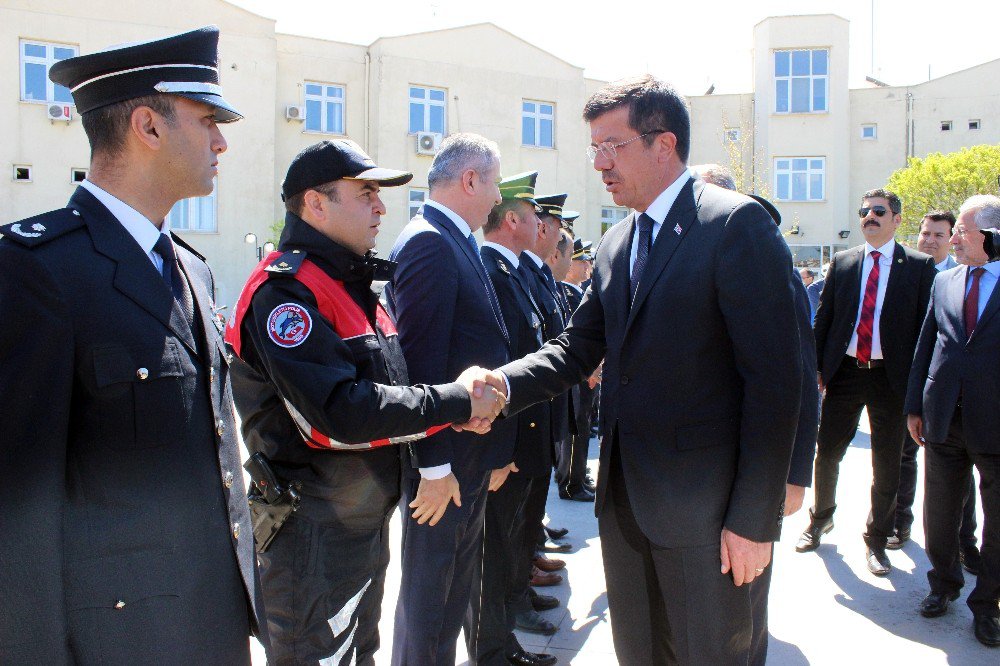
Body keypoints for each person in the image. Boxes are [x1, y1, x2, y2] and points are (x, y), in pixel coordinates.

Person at [475, 74, 802, 664]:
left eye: (611, 145)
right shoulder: (617, 242)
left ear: (664, 143)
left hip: (709, 517)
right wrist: (501, 384)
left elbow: (776, 383)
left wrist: (756, 520)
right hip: (627, 508)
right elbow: (577, 350)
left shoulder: (734, 227)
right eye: (593, 147)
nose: (599, 162)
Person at [0, 27, 268, 663]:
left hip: (209, 623)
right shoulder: (35, 270)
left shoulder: (192, 270)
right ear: (148, 126)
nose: (222, 141)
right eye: (207, 121)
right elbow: (17, 515)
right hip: (112, 642)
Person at [224, 140, 504, 664]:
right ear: (316, 203)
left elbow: (392, 389)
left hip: (356, 526)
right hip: (312, 541)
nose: (381, 208)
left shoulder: (347, 284)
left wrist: (447, 414)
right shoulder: (286, 293)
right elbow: (343, 414)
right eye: (367, 193)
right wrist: (456, 402)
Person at [385, 133, 517, 666]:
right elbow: (421, 363)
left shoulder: (451, 238)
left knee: (449, 596)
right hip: (445, 464)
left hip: (464, 454)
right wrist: (433, 465)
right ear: (469, 180)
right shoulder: (428, 241)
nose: (497, 200)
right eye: (494, 185)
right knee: (431, 604)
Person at [693, 172, 820, 664]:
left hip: (751, 471)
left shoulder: (763, 257)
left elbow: (796, 375)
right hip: (699, 475)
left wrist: (793, 474)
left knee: (742, 603)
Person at [797, 188, 936, 577]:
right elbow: (824, 319)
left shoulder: (920, 266)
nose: (869, 216)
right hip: (845, 373)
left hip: (892, 380)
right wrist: (819, 369)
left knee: (887, 464)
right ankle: (820, 519)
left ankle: (877, 540)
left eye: (879, 211)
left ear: (896, 220)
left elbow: (927, 331)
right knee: (827, 454)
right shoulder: (842, 262)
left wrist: (918, 386)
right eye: (864, 210)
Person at [465, 170, 558, 666]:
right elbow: (496, 364)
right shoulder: (493, 273)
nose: (545, 227)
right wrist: (501, 449)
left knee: (510, 539)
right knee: (495, 549)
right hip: (509, 435)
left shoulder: (515, 273)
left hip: (527, 431)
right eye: (537, 217)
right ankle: (493, 648)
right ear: (515, 221)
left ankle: (502, 637)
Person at [905, 195, 1000, 647]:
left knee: (997, 523)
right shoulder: (944, 282)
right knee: (939, 513)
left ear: (992, 236)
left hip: (995, 424)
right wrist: (914, 406)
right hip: (943, 418)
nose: (955, 238)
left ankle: (988, 606)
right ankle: (943, 584)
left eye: (962, 230)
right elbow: (927, 346)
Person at [894, 210, 980, 571]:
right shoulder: (910, 273)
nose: (929, 240)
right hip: (928, 394)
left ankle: (966, 542)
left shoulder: (962, 277)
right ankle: (903, 525)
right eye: (924, 233)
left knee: (965, 485)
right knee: (912, 467)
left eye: (939, 234)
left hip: (974, 403)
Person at [558, 237, 600, 502]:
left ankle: (573, 477)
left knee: (580, 425)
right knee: (577, 426)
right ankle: (571, 482)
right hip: (578, 372)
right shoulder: (569, 293)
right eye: (581, 260)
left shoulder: (572, 291)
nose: (587, 267)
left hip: (583, 371)